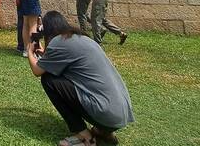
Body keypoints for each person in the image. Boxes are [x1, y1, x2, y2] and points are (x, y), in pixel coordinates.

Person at [27, 11, 134, 146]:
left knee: (48, 79)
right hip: (121, 114)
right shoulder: (82, 39)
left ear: (48, 30)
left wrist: (30, 52)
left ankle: (85, 137)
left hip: (106, 113)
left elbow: (37, 71)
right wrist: (47, 55)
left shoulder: (57, 42)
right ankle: (104, 133)